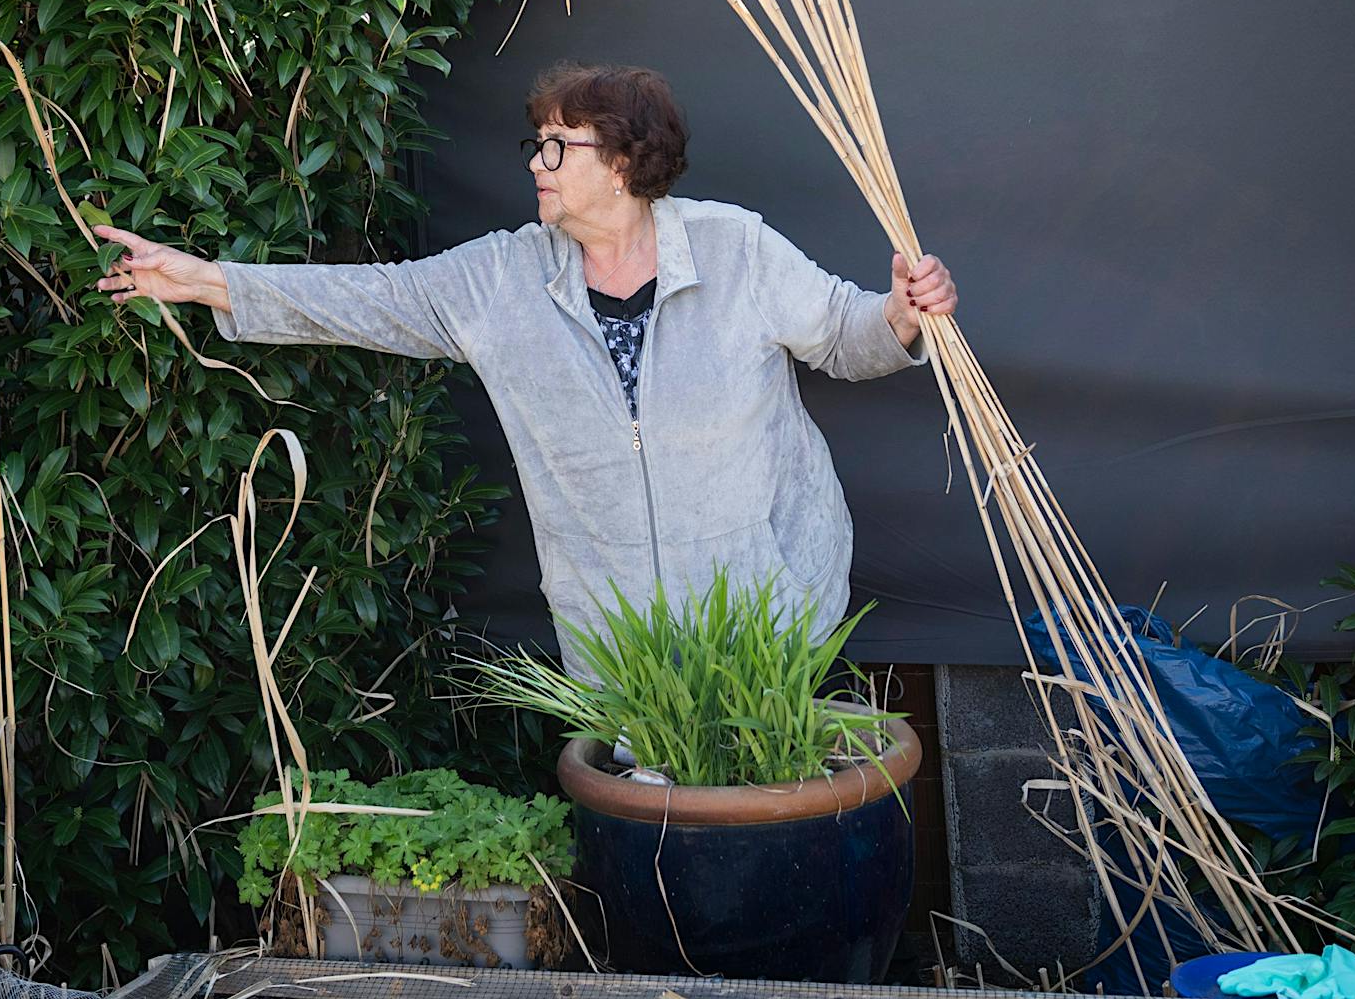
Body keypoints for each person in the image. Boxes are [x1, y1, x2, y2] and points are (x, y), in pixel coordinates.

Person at [95, 62, 958, 664]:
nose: (538, 165)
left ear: (622, 162)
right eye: (535, 145)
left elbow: (849, 338)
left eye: (559, 146)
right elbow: (372, 298)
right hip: (621, 643)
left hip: (771, 616)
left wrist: (899, 310)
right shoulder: (503, 277)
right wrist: (210, 282)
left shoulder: (735, 250)